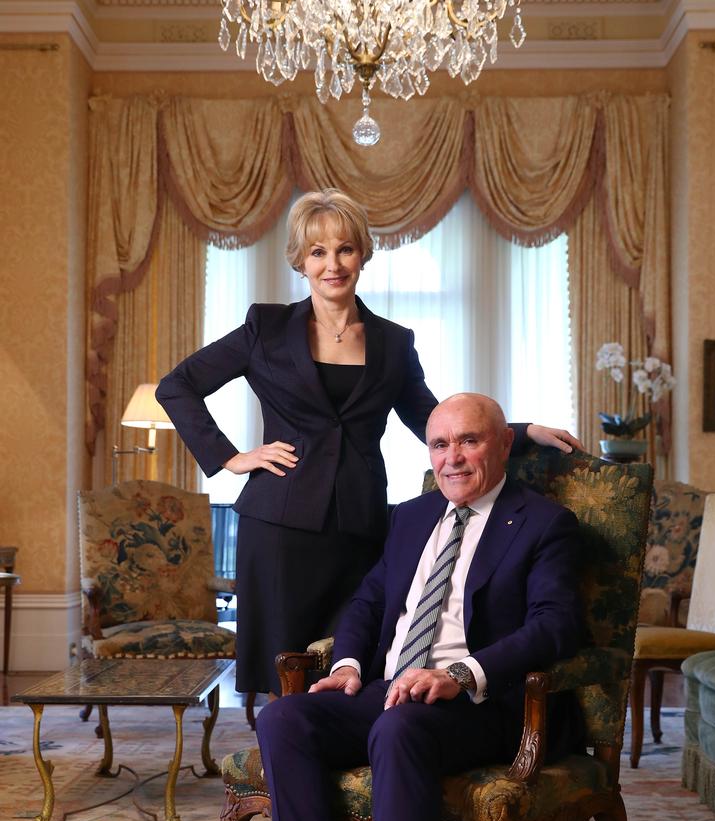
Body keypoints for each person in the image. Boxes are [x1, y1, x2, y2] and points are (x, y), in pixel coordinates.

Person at [156, 189, 582, 699]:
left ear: (362, 255)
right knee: (283, 673)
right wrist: (231, 457)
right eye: (318, 252)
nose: (332, 265)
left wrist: (520, 430)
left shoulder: (392, 343)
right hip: (279, 526)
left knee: (359, 664)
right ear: (300, 260)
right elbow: (175, 386)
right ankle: (283, 769)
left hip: (359, 525)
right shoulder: (264, 328)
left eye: (345, 250)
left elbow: (430, 417)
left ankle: (360, 768)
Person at [256, 393, 584, 821]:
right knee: (284, 719)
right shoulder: (410, 518)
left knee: (400, 729)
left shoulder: (543, 523)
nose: (452, 458)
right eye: (439, 445)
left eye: (469, 442)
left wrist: (461, 674)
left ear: (503, 445)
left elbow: (555, 628)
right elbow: (368, 602)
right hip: (390, 686)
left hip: (480, 701)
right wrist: (349, 666)